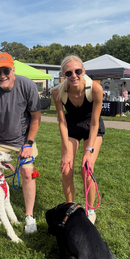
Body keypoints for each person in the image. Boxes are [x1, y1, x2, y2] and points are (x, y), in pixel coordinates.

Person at [0, 52, 42, 233]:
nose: (2, 76)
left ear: (13, 70)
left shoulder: (27, 85)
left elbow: (36, 118)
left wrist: (29, 144)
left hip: (23, 139)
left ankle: (29, 215)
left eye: (6, 71)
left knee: (27, 173)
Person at [52, 55, 104, 224]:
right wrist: (67, 152)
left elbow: (95, 123)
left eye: (77, 71)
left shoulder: (95, 89)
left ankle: (90, 210)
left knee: (86, 169)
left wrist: (89, 151)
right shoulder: (58, 92)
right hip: (71, 126)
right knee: (66, 168)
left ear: (83, 71)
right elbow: (62, 123)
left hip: (91, 126)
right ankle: (71, 209)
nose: (74, 75)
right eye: (68, 73)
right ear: (63, 74)